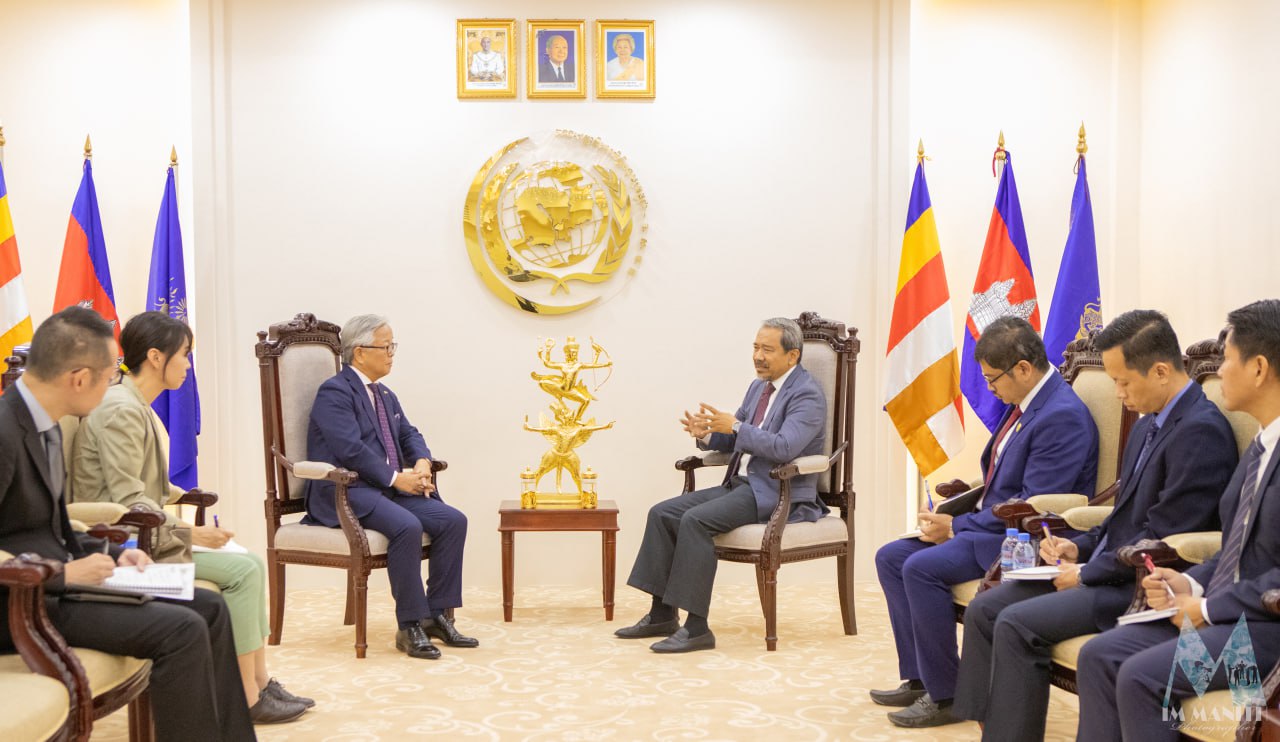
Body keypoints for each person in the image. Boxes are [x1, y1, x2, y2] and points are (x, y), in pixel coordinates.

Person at [951, 310, 1238, 740]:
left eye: (1123, 382)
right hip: (1107, 567)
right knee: (990, 606)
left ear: (1160, 372)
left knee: (1015, 623)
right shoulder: (1148, 423)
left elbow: (1161, 537)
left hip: (1136, 583)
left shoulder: (1200, 432)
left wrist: (1087, 572)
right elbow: (1122, 516)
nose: (1118, 394)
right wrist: (1079, 548)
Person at [0, 306, 254, 741]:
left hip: (56, 586)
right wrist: (64, 574)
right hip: (20, 601)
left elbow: (56, 528)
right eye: (108, 376)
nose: (111, 386)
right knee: (182, 630)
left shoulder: (47, 427)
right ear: (79, 378)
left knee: (209, 608)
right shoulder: (4, 431)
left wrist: (116, 554)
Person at [72, 311, 312, 724]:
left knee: (251, 563)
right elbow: (128, 499)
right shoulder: (120, 409)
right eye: (184, 354)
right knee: (244, 572)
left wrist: (181, 497)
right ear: (155, 357)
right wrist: (191, 533)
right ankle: (247, 695)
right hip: (123, 540)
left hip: (143, 529)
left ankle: (259, 680)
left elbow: (147, 484)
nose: (187, 365)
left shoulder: (133, 403)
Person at [872, 316, 1099, 728]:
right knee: (890, 557)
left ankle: (946, 695)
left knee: (920, 568)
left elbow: (1032, 505)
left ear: (1023, 369)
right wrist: (953, 513)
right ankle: (922, 678)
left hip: (1023, 537)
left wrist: (956, 528)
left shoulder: (1061, 415)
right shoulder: (1027, 404)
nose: (990, 388)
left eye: (993, 379)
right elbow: (996, 482)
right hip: (988, 525)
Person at [1076, 300, 1280, 741]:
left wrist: (1205, 609)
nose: (1218, 372)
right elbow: (1234, 549)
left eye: (1227, 359)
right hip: (1229, 617)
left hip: (1264, 637)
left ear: (1259, 368)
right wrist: (1189, 583)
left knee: (1140, 677)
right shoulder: (1262, 446)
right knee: (1099, 656)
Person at [616, 317, 826, 653]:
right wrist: (707, 435)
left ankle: (696, 628)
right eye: (755, 347)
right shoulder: (759, 387)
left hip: (774, 492)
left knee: (695, 521)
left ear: (792, 356)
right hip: (741, 484)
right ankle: (661, 615)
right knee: (662, 513)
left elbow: (785, 447)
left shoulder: (807, 395)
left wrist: (737, 427)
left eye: (767, 349)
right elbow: (734, 438)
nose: (757, 356)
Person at [303, 314, 475, 659]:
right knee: (406, 527)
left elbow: (409, 434)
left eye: (392, 346)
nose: (392, 353)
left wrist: (422, 461)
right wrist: (397, 478)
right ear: (360, 352)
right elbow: (350, 449)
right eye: (386, 346)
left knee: (452, 521)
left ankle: (436, 615)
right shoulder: (334, 392)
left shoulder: (383, 394)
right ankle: (409, 625)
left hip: (384, 490)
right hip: (347, 492)